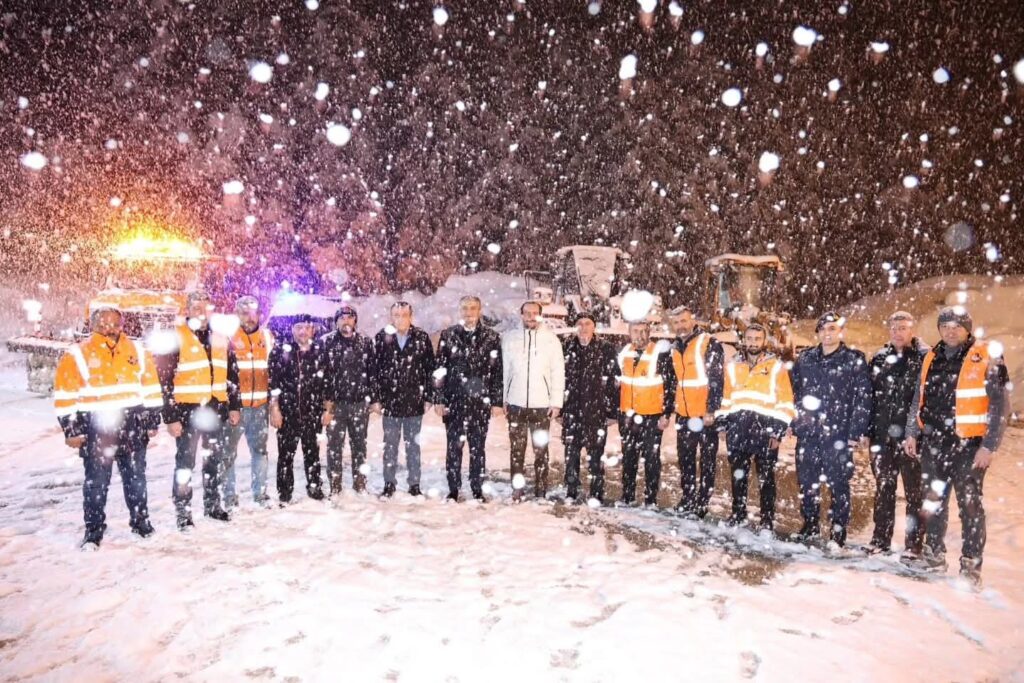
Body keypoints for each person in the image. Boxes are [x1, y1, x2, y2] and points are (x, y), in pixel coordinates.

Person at [903, 307, 1010, 584]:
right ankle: (933, 556)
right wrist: (912, 433)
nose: (951, 331)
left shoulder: (987, 355)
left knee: (970, 506)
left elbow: (1000, 406)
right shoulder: (931, 356)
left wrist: (989, 446)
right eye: (945, 325)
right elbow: (919, 398)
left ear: (967, 329)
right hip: (934, 445)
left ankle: (970, 566)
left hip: (969, 448)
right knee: (934, 502)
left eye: (957, 326)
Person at [54, 304, 162, 548]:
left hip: (132, 425)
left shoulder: (138, 350)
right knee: (96, 484)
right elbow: (64, 395)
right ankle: (93, 532)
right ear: (92, 326)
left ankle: (141, 524)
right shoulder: (77, 354)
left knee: (136, 480)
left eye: (114, 324)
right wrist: (72, 430)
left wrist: (152, 420)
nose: (108, 329)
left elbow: (151, 389)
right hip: (97, 429)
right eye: (102, 325)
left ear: (122, 325)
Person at [155, 291, 241, 530]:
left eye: (205, 307)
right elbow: (164, 380)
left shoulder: (221, 337)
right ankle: (183, 512)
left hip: (215, 410)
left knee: (213, 460)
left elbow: (232, 375)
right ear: (187, 309)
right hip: (187, 411)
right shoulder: (176, 337)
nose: (201, 311)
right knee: (185, 464)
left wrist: (233, 405)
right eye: (196, 307)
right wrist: (170, 417)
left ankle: (212, 505)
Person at [790, 312, 872, 547]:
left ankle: (838, 531)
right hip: (809, 433)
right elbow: (794, 393)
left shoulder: (853, 360)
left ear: (840, 332)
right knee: (807, 483)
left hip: (838, 435)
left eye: (833, 328)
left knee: (839, 484)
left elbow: (862, 397)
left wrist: (856, 432)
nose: (828, 333)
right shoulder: (806, 359)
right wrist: (795, 422)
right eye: (824, 329)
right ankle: (810, 524)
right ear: (817, 333)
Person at [715, 323, 794, 531]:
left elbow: (786, 401)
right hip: (738, 430)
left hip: (765, 432)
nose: (753, 343)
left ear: (764, 341)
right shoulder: (733, 365)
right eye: (749, 338)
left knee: (766, 479)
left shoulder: (775, 366)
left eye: (757, 339)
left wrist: (777, 431)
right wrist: (723, 423)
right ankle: (738, 514)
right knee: (738, 477)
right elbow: (726, 396)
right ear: (744, 340)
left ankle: (767, 519)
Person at [866, 311, 928, 555]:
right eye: (894, 328)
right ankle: (880, 540)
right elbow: (870, 397)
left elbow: (924, 399)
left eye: (902, 328)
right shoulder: (880, 358)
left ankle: (913, 546)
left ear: (911, 330)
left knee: (914, 494)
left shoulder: (923, 358)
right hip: (882, 437)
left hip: (910, 438)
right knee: (883, 489)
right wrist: (869, 430)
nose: (897, 332)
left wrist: (917, 433)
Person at [434, 295, 503, 502]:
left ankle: (477, 488)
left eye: (473, 308)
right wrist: (439, 398)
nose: (469, 312)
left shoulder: (491, 337)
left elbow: (497, 371)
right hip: (455, 402)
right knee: (454, 448)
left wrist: (497, 401)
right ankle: (453, 489)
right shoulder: (449, 335)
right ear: (459, 310)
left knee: (478, 448)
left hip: (479, 403)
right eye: (464, 308)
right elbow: (440, 369)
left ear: (479, 311)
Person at [502, 301, 565, 501]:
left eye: (535, 313)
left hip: (541, 406)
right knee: (516, 450)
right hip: (516, 404)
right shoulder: (510, 339)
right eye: (527, 313)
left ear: (540, 315)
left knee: (541, 451)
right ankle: (517, 488)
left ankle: (540, 488)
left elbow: (558, 372)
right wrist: (504, 398)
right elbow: (505, 371)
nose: (531, 316)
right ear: (521, 315)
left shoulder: (551, 340)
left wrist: (556, 402)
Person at [373, 301, 436, 498]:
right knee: (390, 446)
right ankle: (389, 483)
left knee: (413, 447)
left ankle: (414, 484)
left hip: (414, 402)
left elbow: (429, 369)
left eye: (404, 315)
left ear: (411, 316)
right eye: (396, 315)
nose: (400, 318)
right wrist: (375, 398)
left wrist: (428, 396)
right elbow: (373, 371)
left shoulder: (421, 338)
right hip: (390, 403)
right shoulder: (382, 337)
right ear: (391, 317)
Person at [668, 306, 725, 519]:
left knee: (708, 460)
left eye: (684, 321)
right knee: (686, 459)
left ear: (692, 320)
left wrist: (712, 409)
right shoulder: (675, 347)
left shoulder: (708, 343)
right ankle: (688, 497)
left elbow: (717, 379)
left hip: (704, 415)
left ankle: (703, 501)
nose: (681, 325)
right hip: (684, 414)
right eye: (676, 322)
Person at [561, 312, 618, 503]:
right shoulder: (566, 348)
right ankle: (571, 490)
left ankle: (596, 492)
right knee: (571, 454)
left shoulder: (606, 349)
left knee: (596, 456)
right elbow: (559, 380)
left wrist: (611, 412)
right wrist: (560, 409)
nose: (584, 327)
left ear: (594, 327)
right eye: (580, 324)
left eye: (588, 323)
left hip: (597, 411)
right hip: (572, 410)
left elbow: (613, 382)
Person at [321, 305, 379, 495]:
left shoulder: (365, 342)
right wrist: (325, 403)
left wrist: (373, 398)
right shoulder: (326, 342)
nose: (346, 321)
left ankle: (360, 483)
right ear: (336, 321)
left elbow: (372, 373)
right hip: (334, 405)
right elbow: (322, 375)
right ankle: (335, 486)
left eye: (350, 317)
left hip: (359, 404)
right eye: (342, 318)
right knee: (334, 447)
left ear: (355, 320)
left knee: (359, 445)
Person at [269, 316, 327, 504]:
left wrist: (328, 409)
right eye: (299, 327)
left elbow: (327, 383)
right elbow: (273, 383)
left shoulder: (320, 351)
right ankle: (285, 493)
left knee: (312, 454)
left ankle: (314, 487)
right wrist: (275, 409)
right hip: (288, 413)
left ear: (313, 330)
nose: (303, 331)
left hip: (312, 412)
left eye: (307, 327)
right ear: (293, 329)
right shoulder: (280, 351)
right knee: (285, 456)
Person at [617, 321, 675, 506]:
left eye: (643, 331)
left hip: (652, 416)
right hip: (628, 415)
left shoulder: (659, 353)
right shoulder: (625, 352)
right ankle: (627, 496)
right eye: (635, 331)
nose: (639, 335)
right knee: (628, 457)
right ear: (629, 333)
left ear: (649, 333)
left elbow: (670, 385)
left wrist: (666, 413)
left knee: (651, 459)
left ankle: (650, 499)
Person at [224, 295, 274, 508]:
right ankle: (228, 496)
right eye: (244, 313)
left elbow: (273, 371)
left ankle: (260, 494)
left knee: (260, 452)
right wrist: (229, 405)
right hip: (236, 408)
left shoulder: (267, 337)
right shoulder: (228, 338)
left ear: (259, 314)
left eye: (253, 313)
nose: (249, 317)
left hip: (260, 406)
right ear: (237, 314)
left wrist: (273, 403)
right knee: (228, 454)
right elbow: (224, 374)